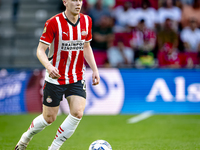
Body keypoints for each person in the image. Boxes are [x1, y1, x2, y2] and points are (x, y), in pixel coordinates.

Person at [15, 0, 100, 150]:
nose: (78, 3)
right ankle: (25, 138)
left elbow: (86, 46)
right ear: (65, 2)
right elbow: (40, 50)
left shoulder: (87, 21)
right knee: (49, 118)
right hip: (55, 78)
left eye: (80, 0)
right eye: (74, 0)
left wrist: (95, 69)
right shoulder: (53, 23)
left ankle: (54, 148)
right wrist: (49, 66)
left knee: (77, 113)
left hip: (77, 76)